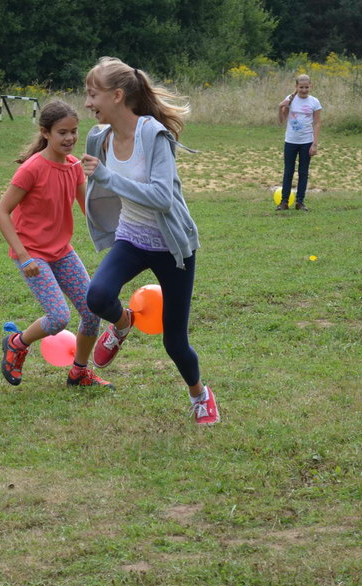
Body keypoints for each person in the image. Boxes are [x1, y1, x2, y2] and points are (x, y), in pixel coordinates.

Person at [79, 56, 220, 425]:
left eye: (93, 94)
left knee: (174, 342)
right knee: (97, 296)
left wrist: (107, 177)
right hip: (131, 238)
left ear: (117, 95)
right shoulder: (99, 137)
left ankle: (200, 394)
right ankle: (122, 323)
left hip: (172, 247)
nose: (88, 103)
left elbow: (161, 197)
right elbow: (98, 184)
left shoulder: (153, 135)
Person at [0, 100, 112, 389]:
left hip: (61, 252)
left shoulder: (74, 167)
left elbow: (90, 210)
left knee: (92, 311)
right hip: (32, 254)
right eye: (62, 132)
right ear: (45, 132)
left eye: (74, 131)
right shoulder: (32, 169)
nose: (70, 138)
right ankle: (16, 343)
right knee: (59, 317)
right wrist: (23, 256)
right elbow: (1, 212)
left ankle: (79, 372)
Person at [276, 74, 321, 212]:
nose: (304, 90)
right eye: (301, 87)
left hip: (306, 141)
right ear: (296, 86)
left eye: (306, 87)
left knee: (303, 172)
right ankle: (284, 202)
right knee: (288, 171)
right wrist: (280, 107)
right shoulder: (290, 100)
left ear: (310, 86)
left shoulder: (314, 102)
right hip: (290, 141)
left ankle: (300, 202)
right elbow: (281, 120)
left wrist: (314, 144)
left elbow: (317, 123)